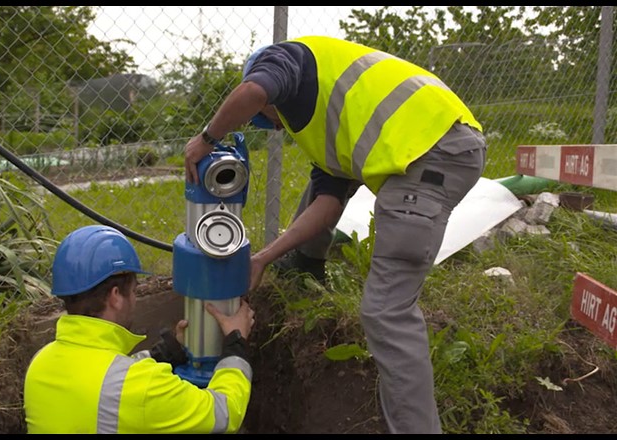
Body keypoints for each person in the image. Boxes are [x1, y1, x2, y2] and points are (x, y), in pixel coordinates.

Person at [184, 36, 487, 434]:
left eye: (266, 118)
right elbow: (327, 204)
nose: (274, 125)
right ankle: (306, 263)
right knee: (325, 204)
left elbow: (253, 91)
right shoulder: (332, 129)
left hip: (429, 153)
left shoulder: (289, 59)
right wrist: (262, 259)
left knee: (386, 312)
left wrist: (205, 141)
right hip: (434, 149)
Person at [23, 225, 255, 434]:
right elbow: (224, 412)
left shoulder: (40, 364)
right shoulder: (141, 387)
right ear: (115, 297)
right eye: (134, 291)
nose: (135, 299)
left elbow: (104, 380)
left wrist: (164, 354)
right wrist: (236, 344)